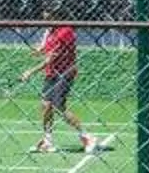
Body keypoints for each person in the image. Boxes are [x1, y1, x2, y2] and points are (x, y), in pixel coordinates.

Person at [17, 22, 101, 155]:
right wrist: (39, 50)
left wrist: (30, 72)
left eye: (49, 18)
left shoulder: (65, 32)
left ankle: (87, 137)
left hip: (64, 73)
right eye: (44, 18)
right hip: (51, 73)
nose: (45, 21)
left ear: (57, 18)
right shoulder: (49, 30)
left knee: (58, 106)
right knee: (45, 105)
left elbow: (50, 58)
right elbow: (45, 47)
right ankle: (47, 141)